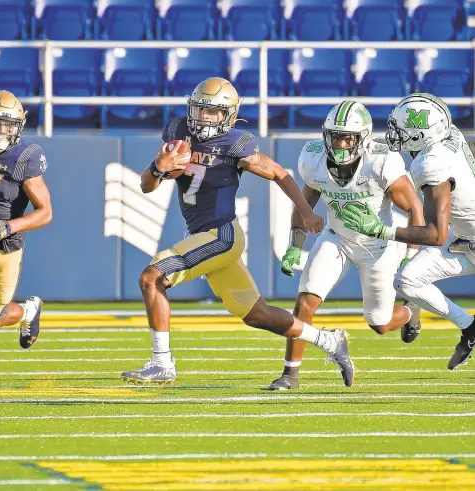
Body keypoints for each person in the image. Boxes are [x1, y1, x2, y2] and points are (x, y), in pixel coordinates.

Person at [121, 77, 354, 386]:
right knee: (257, 315)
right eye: (199, 110)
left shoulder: (234, 142)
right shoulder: (178, 132)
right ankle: (329, 341)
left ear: (228, 115)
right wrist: (158, 167)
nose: (203, 118)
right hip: (207, 237)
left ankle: (162, 363)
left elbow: (280, 174)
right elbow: (146, 186)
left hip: (222, 235)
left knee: (152, 277)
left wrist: (307, 212)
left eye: (212, 112)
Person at [266, 101, 424, 390]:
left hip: (379, 245)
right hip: (336, 238)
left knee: (380, 323)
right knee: (305, 301)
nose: (340, 143)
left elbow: (416, 209)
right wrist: (295, 244)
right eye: (335, 136)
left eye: (347, 137)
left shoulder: (381, 161)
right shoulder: (314, 159)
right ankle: (290, 374)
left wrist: (409, 257)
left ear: (362, 138)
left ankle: (410, 313)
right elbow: (306, 203)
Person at [339, 93, 475, 370]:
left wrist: (381, 230)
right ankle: (470, 328)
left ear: (421, 134)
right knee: (408, 280)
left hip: (461, 238)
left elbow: (435, 235)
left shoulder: (430, 164)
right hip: (465, 240)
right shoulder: (451, 134)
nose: (394, 135)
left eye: (401, 131)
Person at [0, 90, 52, 348]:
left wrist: (8, 226)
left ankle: (27, 311)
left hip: (5, 245)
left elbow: (45, 212)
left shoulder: (23, 156)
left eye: (5, 126)